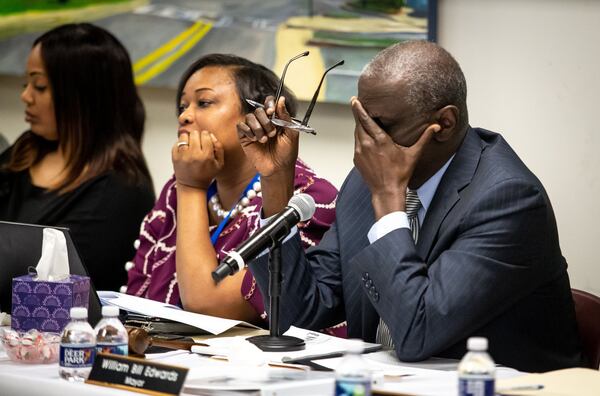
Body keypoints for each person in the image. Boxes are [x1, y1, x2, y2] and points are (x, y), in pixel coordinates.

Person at [238, 41, 584, 372]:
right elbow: (300, 315)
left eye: (382, 126)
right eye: (362, 123)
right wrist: (276, 180)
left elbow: (417, 334)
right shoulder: (364, 184)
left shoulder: (508, 199)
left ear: (444, 124)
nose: (366, 143)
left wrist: (389, 204)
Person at [126, 55, 342, 333]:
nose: (184, 116)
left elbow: (207, 304)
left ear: (260, 117)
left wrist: (191, 188)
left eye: (204, 103)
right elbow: (136, 298)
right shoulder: (177, 187)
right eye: (183, 106)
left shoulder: (308, 197)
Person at [0, 23, 155, 292]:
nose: (25, 96)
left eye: (39, 86)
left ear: (82, 95)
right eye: (27, 84)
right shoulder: (23, 153)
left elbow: (57, 283)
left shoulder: (122, 189)